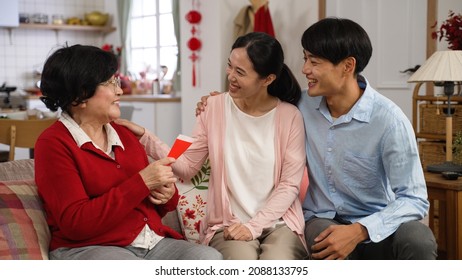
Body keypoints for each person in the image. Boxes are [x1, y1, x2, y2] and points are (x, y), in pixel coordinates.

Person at [196, 18, 437, 260]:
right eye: (305, 59)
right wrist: (220, 102)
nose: (305, 69)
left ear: (347, 66)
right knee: (325, 238)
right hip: (323, 220)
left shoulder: (389, 120)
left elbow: (414, 199)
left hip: (376, 223)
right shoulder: (299, 106)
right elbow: (258, 99)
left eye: (314, 62)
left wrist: (359, 230)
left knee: (418, 238)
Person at [119, 32, 308, 260]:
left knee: (277, 264)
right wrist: (146, 136)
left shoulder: (290, 117)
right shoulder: (213, 107)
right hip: (228, 222)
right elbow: (187, 166)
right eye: (230, 66)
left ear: (268, 79)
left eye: (240, 72)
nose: (230, 76)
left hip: (280, 223)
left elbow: (289, 185)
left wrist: (253, 226)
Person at [34, 44, 222, 260]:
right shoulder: (53, 144)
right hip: (90, 247)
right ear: (81, 94)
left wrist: (166, 196)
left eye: (116, 81)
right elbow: (76, 223)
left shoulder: (124, 134)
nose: (120, 90)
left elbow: (159, 205)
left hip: (149, 243)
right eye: (109, 83)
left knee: (208, 259)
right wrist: (142, 182)